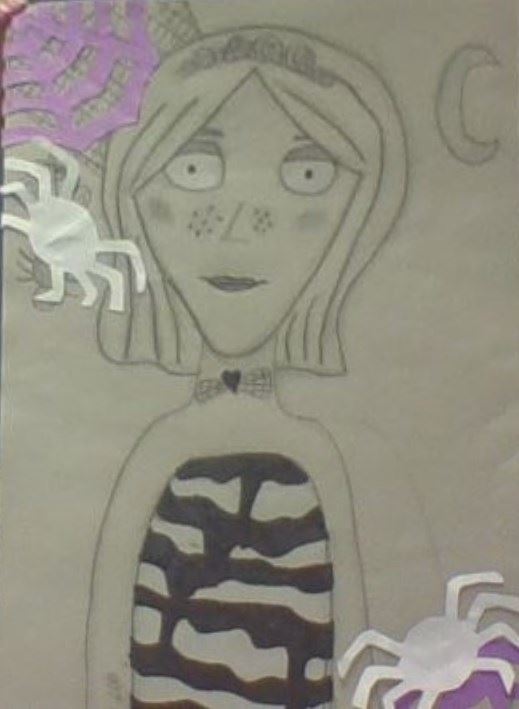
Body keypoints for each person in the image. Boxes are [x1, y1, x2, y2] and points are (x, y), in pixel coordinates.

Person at [88, 26, 407, 708]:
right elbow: (108, 668)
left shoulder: (331, 458)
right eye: (192, 168)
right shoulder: (161, 453)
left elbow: (358, 662)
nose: (237, 219)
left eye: (308, 174)